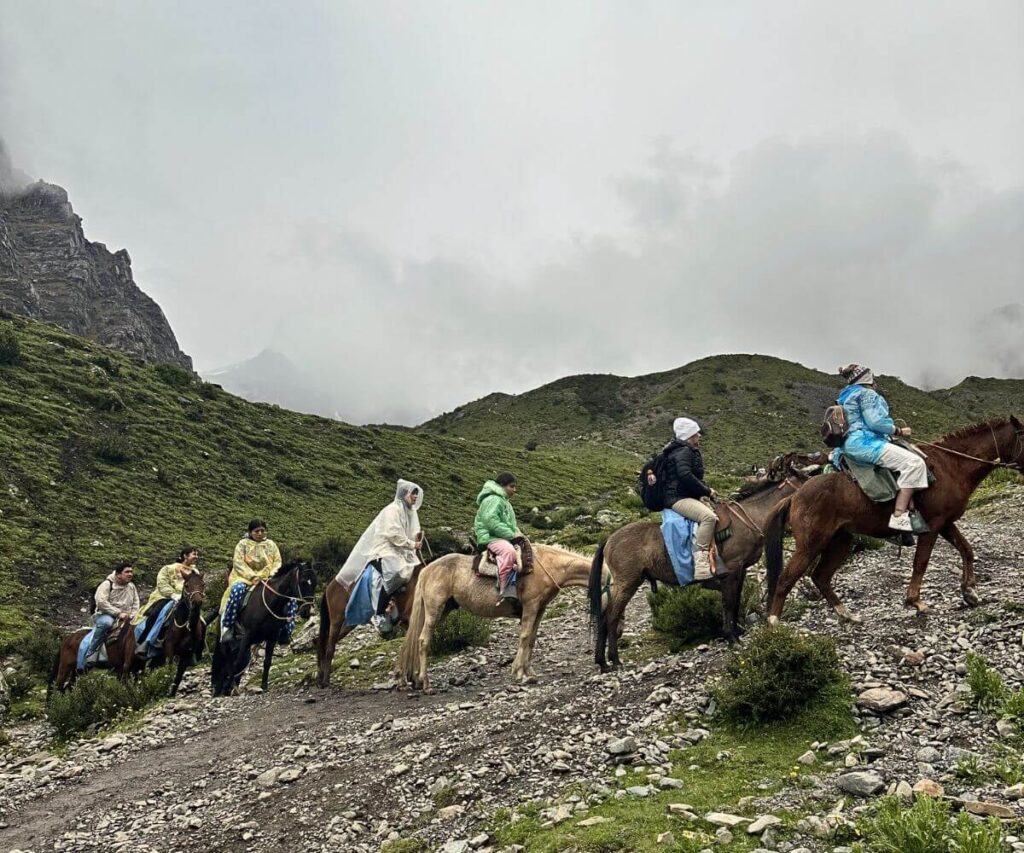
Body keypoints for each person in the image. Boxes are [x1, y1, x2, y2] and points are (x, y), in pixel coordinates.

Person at [833, 363, 928, 533]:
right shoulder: (867, 394)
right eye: (873, 378)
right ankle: (900, 517)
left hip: (850, 444)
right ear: (868, 378)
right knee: (915, 463)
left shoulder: (846, 395)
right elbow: (875, 422)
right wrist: (898, 430)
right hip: (866, 443)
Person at [337, 480, 424, 628]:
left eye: (417, 494)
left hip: (402, 551)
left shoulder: (411, 513)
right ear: (404, 494)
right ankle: (379, 613)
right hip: (385, 551)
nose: (415, 497)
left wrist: (417, 538)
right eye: (413, 493)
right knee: (397, 572)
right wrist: (412, 544)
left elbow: (411, 532)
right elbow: (394, 534)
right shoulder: (392, 510)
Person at [646, 417, 717, 580]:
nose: (699, 436)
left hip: (683, 495)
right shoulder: (684, 452)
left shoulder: (680, 450)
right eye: (696, 433)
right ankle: (700, 563)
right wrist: (707, 491)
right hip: (677, 498)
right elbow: (685, 475)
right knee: (708, 517)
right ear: (689, 436)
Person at [220, 519, 282, 639]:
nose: (259, 533)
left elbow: (277, 562)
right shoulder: (242, 544)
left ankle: (285, 627)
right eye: (256, 531)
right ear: (250, 532)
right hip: (244, 577)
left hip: (267, 577)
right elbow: (238, 562)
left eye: (262, 531)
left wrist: (272, 574)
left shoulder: (271, 545)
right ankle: (228, 626)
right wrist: (252, 576)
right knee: (237, 590)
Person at [474, 473, 522, 604]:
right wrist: (512, 535)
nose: (514, 490)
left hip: (499, 536)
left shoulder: (505, 502)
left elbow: (511, 525)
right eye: (512, 486)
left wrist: (519, 534)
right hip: (490, 537)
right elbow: (491, 522)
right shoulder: (493, 499)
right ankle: (505, 589)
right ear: (502, 485)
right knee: (509, 552)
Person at [81, 561, 140, 667]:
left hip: (127, 615)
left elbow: (136, 602)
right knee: (106, 624)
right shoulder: (107, 584)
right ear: (118, 574)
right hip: (106, 614)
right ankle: (92, 652)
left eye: (131, 572)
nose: (130, 574)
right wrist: (118, 613)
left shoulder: (131, 586)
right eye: (127, 572)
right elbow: (101, 602)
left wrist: (133, 614)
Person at [135, 546, 200, 627]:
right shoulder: (168, 568)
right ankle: (147, 637)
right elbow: (162, 583)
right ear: (185, 556)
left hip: (188, 599)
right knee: (155, 615)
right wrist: (173, 595)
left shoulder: (195, 572)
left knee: (200, 621)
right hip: (167, 598)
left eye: (197, 555)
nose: (196, 557)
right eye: (194, 554)